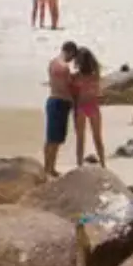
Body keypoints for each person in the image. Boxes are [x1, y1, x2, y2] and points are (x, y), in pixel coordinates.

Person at [44, 41, 79, 177]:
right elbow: (66, 88)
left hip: (52, 99)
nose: (71, 60)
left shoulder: (52, 63)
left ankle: (48, 166)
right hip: (61, 102)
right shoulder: (64, 68)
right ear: (69, 52)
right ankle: (50, 168)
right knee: (56, 140)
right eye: (72, 56)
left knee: (50, 138)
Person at [72, 46, 105, 168]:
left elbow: (73, 93)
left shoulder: (76, 77)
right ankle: (103, 164)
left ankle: (79, 164)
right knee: (98, 138)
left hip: (80, 107)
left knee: (80, 139)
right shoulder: (95, 75)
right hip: (93, 106)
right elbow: (98, 92)